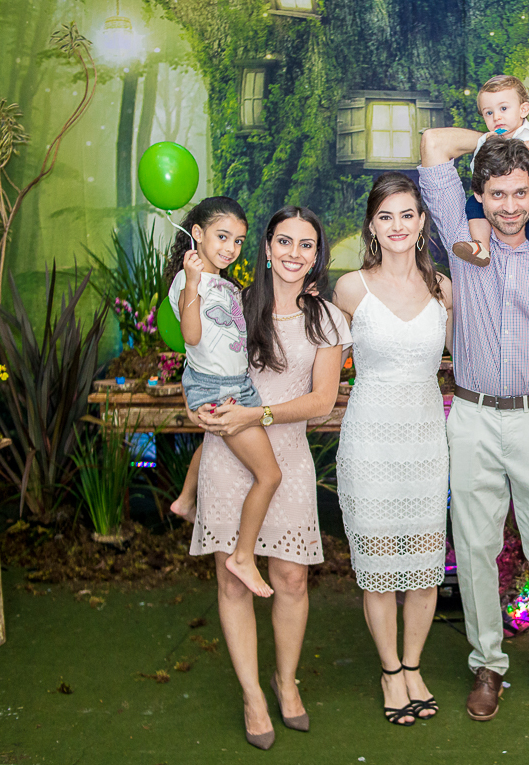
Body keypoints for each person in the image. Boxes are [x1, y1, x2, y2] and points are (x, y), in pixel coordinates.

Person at [418, 128, 529, 725]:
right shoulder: (462, 237)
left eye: (520, 192)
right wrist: (503, 136)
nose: (510, 206)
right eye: (497, 193)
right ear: (478, 196)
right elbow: (433, 144)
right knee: (475, 549)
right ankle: (487, 665)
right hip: (471, 416)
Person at [191, 206, 351, 749]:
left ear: (317, 255)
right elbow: (200, 364)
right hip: (228, 456)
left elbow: (322, 402)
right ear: (265, 247)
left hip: (287, 461)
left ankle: (286, 681)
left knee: (291, 579)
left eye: (306, 245)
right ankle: (252, 695)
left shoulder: (326, 318)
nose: (293, 254)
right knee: (233, 580)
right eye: (284, 241)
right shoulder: (232, 304)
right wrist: (200, 407)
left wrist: (255, 415)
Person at [332, 173, 454, 726]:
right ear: (372, 226)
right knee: (378, 565)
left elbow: (467, 357)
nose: (398, 225)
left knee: (426, 569)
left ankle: (413, 666)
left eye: (407, 214)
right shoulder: (350, 289)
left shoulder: (444, 289)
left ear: (422, 222)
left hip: (426, 440)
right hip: (370, 441)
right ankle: (389, 672)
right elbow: (320, 359)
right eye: (386, 216)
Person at [165, 197, 280, 599]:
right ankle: (243, 557)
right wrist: (192, 283)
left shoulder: (226, 284)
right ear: (197, 234)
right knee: (270, 475)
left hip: (236, 385)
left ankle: (185, 500)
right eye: (222, 237)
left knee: (215, 439)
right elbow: (192, 336)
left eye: (238, 240)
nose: (231, 248)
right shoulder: (188, 281)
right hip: (217, 388)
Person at [449, 75, 529, 297]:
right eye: (488, 113)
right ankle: (481, 247)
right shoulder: (486, 140)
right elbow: (479, 171)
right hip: (503, 200)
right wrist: (488, 150)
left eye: (503, 108)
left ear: (523, 110)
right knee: (474, 206)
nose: (496, 117)